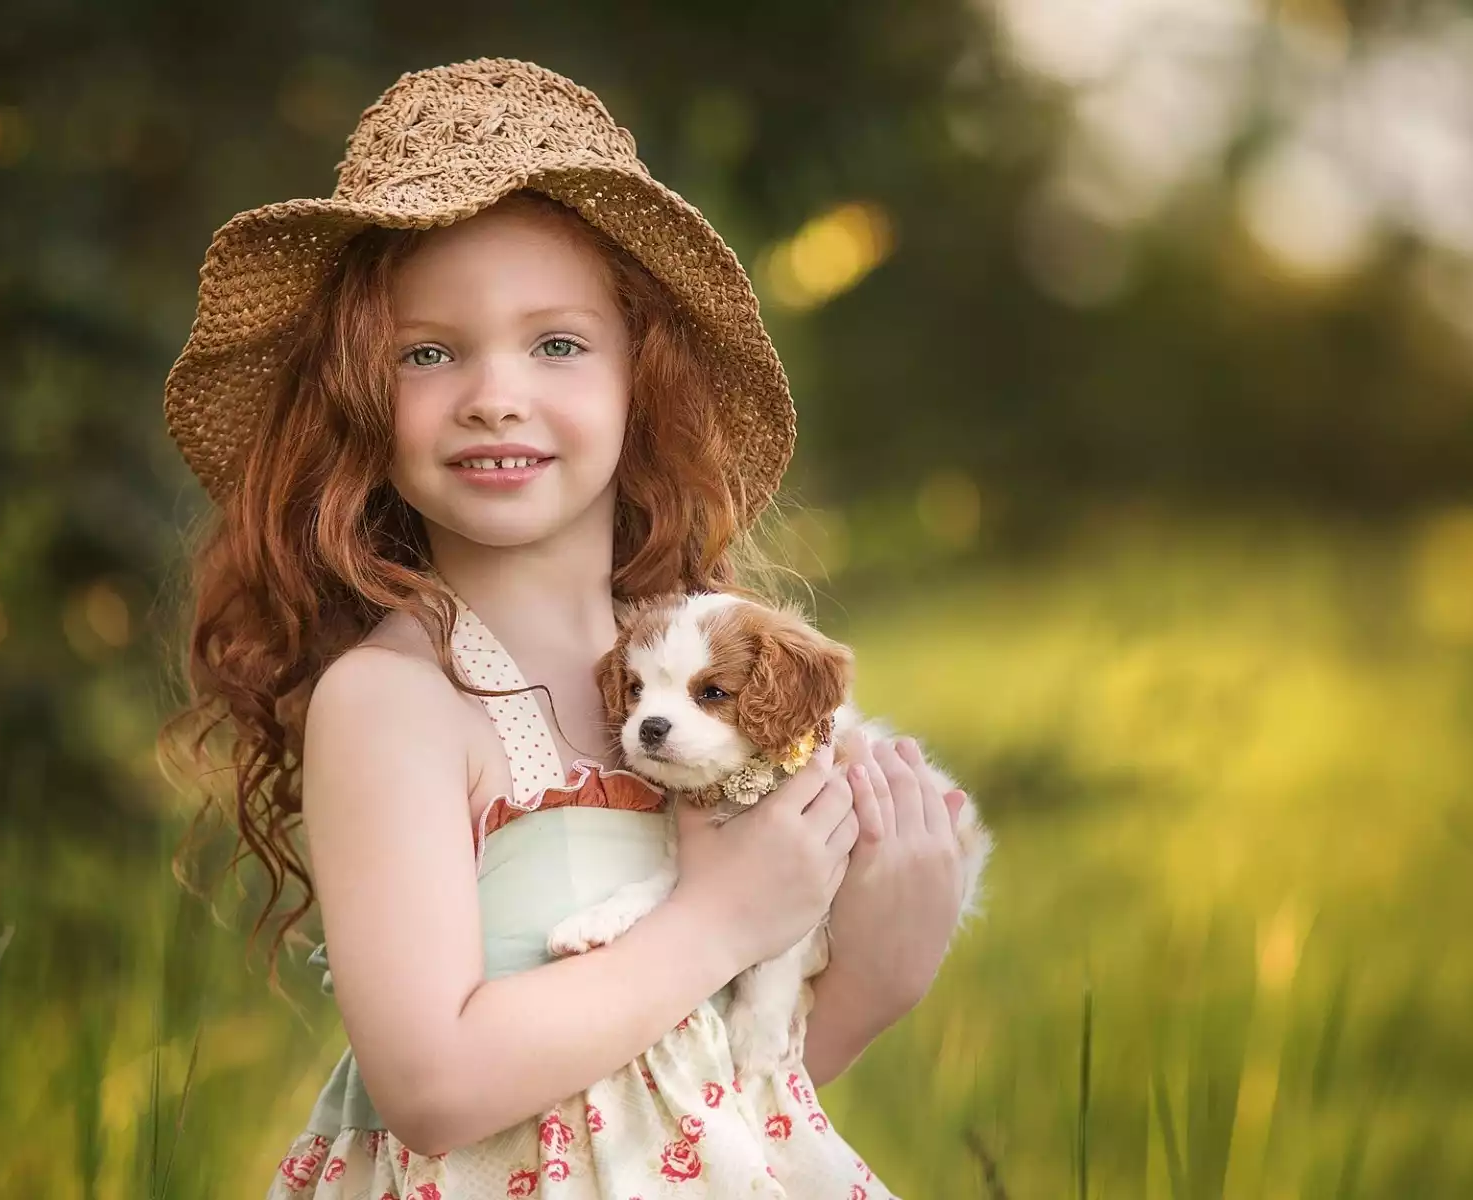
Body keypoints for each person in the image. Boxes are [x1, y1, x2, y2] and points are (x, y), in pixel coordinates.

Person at [158, 57, 974, 1198]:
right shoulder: (396, 700)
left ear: (645, 380)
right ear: (359, 399)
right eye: (427, 352)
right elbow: (432, 1086)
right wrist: (722, 919)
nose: (495, 394)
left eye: (556, 344)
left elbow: (714, 1090)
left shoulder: (694, 679)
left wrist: (881, 972)